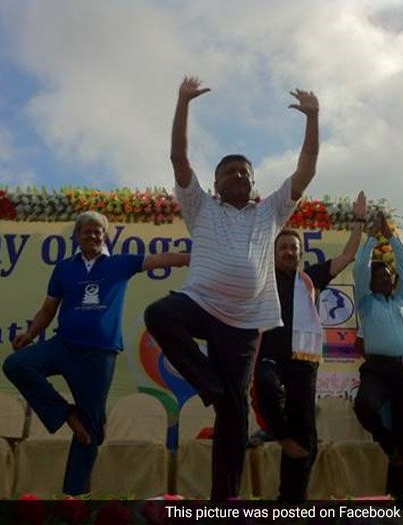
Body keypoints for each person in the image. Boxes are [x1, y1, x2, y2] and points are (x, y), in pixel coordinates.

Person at [144, 76, 320, 500]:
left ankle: (225, 500)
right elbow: (178, 156)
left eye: (245, 171)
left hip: (243, 324)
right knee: (159, 315)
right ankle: (212, 385)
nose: (238, 175)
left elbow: (307, 169)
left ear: (254, 183)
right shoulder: (200, 206)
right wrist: (182, 101)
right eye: (229, 171)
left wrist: (313, 118)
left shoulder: (270, 212)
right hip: (201, 304)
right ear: (216, 182)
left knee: (234, 412)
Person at [3, 211, 189, 496]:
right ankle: (66, 413)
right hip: (63, 345)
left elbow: (162, 259)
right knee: (15, 365)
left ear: (105, 236)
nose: (92, 235)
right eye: (86, 231)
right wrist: (29, 334)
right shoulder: (65, 268)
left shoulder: (120, 263)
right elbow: (48, 309)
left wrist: (196, 257)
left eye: (98, 231)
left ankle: (73, 498)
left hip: (99, 356)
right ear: (77, 236)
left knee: (92, 432)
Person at [253, 191, 366, 502]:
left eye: (293, 248)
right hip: (269, 357)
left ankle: (290, 499)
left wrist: (357, 221)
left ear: (300, 253)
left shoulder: (310, 279)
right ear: (273, 253)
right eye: (283, 247)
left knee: (307, 441)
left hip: (303, 362)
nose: (289, 252)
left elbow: (347, 256)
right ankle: (279, 434)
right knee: (264, 384)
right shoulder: (262, 278)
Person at [352, 212, 403, 499]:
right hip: (377, 369)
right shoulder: (366, 302)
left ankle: (399, 498)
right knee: (364, 407)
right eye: (379, 276)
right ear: (372, 283)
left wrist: (390, 236)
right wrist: (370, 238)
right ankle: (387, 445)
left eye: (388, 275)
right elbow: (359, 268)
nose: (384, 278)